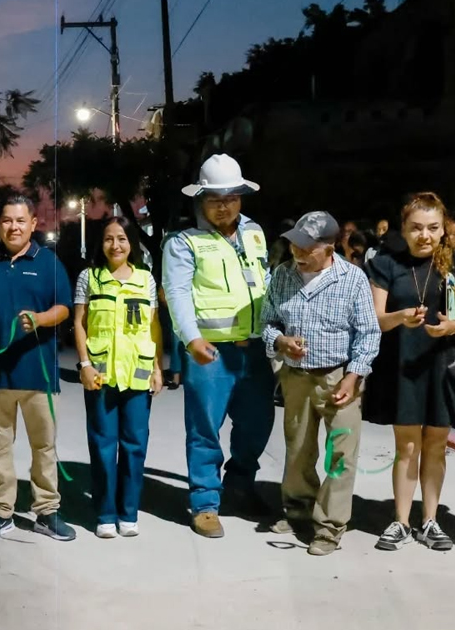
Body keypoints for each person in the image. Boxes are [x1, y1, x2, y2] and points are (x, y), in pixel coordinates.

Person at [162, 153, 276, 538]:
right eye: (215, 198)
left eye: (231, 196)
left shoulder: (255, 232)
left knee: (258, 425)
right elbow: (176, 294)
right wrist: (190, 339)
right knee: (204, 429)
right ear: (201, 201)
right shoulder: (183, 243)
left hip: (256, 350)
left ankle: (241, 485)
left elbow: (267, 282)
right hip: (209, 352)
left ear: (241, 196)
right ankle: (205, 503)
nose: (224, 205)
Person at [363, 192, 455, 552]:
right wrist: (400, 317)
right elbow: (375, 321)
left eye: (432, 228)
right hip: (402, 366)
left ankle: (430, 521)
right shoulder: (385, 264)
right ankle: (400, 521)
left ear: (444, 230)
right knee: (407, 447)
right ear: (404, 229)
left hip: (443, 366)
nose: (424, 235)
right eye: (416, 228)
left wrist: (452, 326)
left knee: (436, 446)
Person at [261, 211, 380, 556]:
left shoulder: (352, 279)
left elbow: (368, 334)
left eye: (307, 246)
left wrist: (354, 375)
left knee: (341, 453)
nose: (298, 251)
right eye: (294, 243)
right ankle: (298, 509)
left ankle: (329, 526)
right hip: (296, 377)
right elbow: (268, 321)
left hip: (340, 378)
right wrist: (280, 342)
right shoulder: (283, 275)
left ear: (329, 247)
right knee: (298, 449)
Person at [0, 196, 76, 543]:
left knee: (44, 446)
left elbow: (65, 308)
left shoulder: (48, 262)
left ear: (33, 224)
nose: (13, 227)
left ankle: (46, 511)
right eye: (7, 221)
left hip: (36, 375)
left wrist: (40, 319)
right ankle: (1, 512)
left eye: (20, 221)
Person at [73, 217, 163, 539]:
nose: (116, 245)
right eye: (109, 239)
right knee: (102, 445)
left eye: (122, 239)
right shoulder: (90, 278)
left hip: (136, 376)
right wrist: (84, 365)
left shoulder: (145, 279)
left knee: (135, 445)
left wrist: (156, 368)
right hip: (100, 376)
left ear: (132, 244)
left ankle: (129, 512)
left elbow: (152, 327)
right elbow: (80, 323)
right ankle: (105, 514)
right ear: (101, 243)